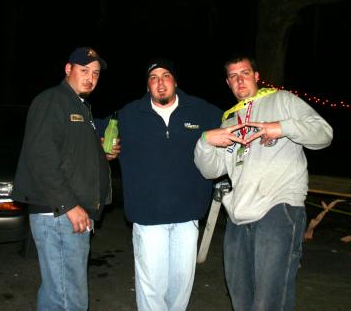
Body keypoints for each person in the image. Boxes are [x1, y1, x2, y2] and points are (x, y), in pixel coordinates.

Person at [193, 54, 333, 311]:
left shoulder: (283, 100)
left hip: (278, 208)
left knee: (269, 300)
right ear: (228, 83)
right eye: (233, 76)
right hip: (238, 214)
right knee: (240, 297)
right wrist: (205, 142)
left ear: (256, 76)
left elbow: (324, 134)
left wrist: (281, 127)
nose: (240, 80)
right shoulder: (230, 121)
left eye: (245, 73)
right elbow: (211, 171)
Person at [110, 58, 222, 311]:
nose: (160, 83)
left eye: (166, 76)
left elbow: (235, 124)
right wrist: (105, 148)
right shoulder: (129, 115)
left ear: (175, 81)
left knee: (181, 285)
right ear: (147, 85)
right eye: (153, 78)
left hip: (188, 217)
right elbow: (94, 133)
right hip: (147, 218)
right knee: (152, 286)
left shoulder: (202, 111)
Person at [12, 47, 118, 311]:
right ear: (68, 69)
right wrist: (69, 205)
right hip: (59, 214)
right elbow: (41, 159)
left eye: (96, 73)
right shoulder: (53, 100)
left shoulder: (79, 106)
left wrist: (102, 155)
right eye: (84, 70)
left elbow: (70, 156)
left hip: (67, 213)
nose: (90, 78)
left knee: (56, 294)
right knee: (70, 299)